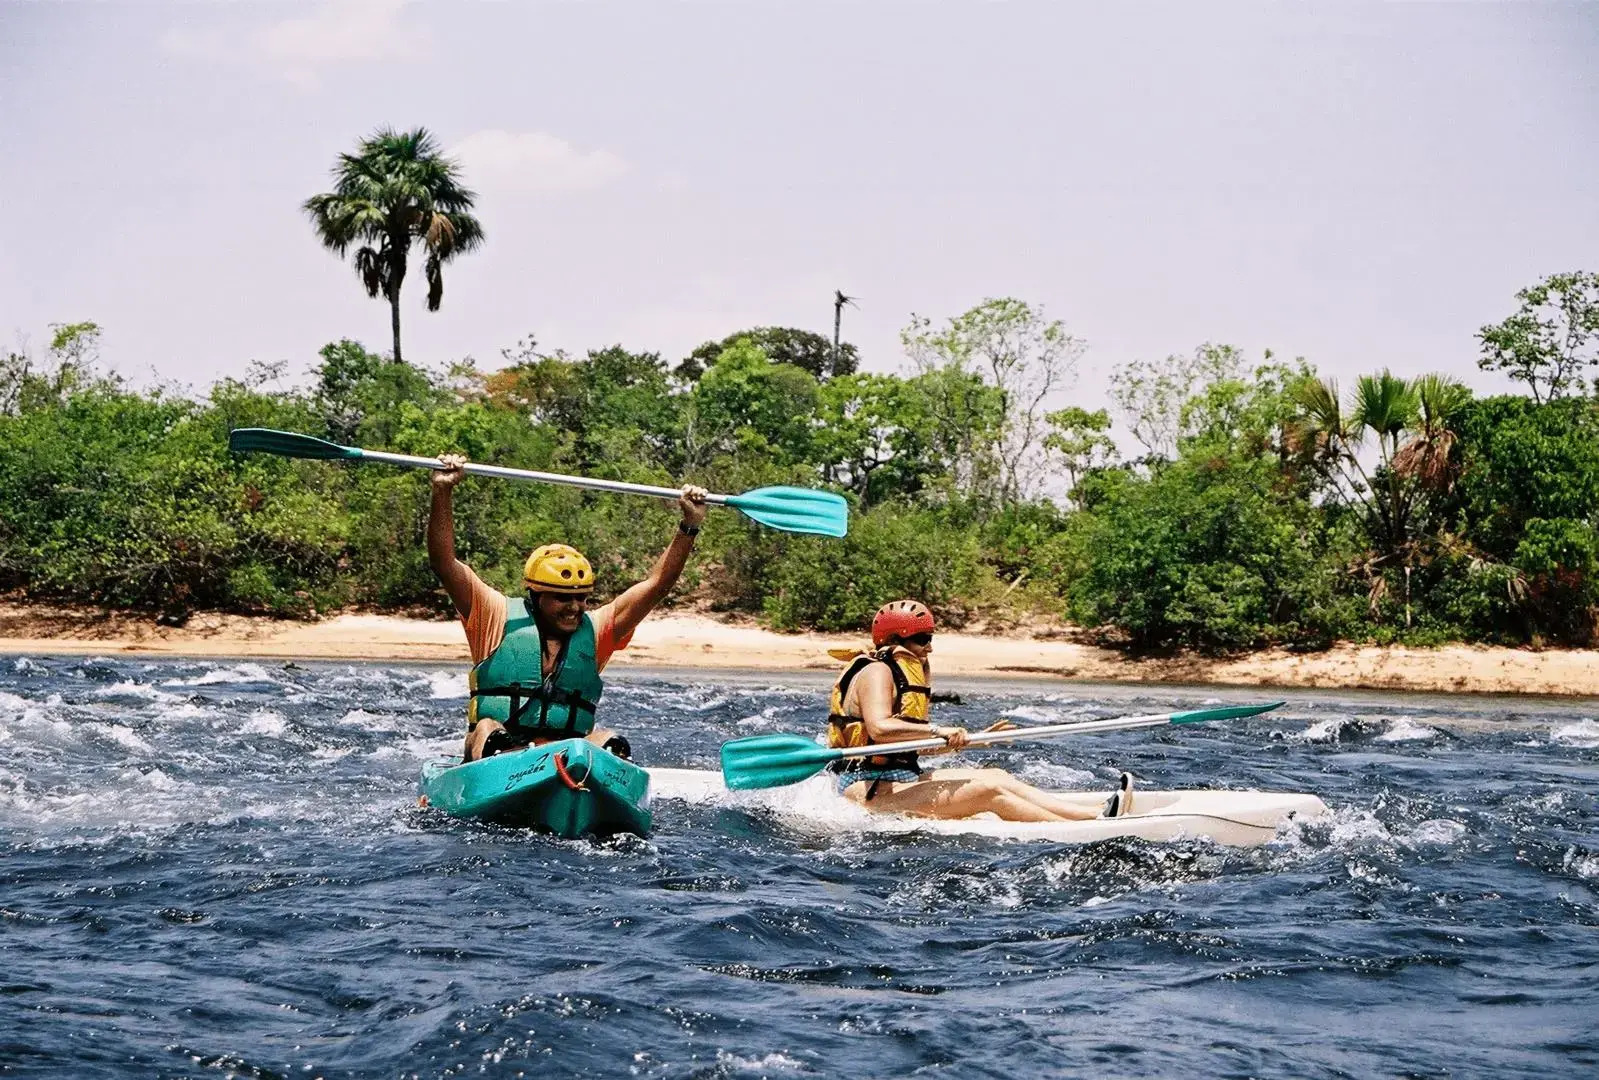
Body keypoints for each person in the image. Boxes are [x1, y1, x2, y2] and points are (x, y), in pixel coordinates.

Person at [427, 453, 708, 763]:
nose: (575, 607)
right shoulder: (495, 616)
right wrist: (443, 490)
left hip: (564, 759)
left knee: (610, 740)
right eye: (562, 598)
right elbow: (444, 563)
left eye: (581, 598)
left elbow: (656, 586)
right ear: (536, 597)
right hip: (496, 758)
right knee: (488, 727)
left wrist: (689, 526)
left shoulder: (598, 630)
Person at [826, 600, 1133, 822]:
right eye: (922, 639)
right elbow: (879, 728)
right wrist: (939, 730)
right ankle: (1090, 825)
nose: (929, 648)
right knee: (988, 791)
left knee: (996, 775)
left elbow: (900, 747)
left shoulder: (897, 672)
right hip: (868, 790)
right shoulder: (877, 671)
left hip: (897, 776)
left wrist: (974, 739)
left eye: (930, 638)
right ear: (894, 640)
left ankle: (1094, 813)